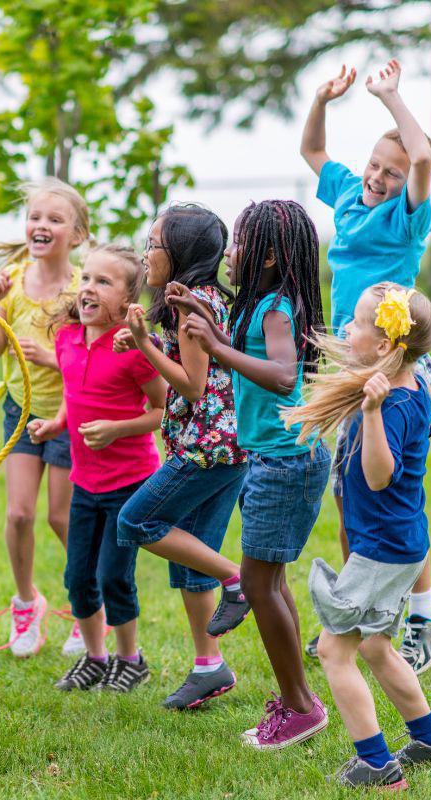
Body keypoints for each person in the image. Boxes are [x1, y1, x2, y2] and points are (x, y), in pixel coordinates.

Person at [300, 59, 431, 673]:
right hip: (350, 365)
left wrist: (391, 98)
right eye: (375, 166)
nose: (380, 178)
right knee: (349, 493)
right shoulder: (346, 193)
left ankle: (423, 617)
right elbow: (312, 149)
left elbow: (424, 160)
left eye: (391, 172)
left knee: (396, 500)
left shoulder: (407, 217)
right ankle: (357, 611)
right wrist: (321, 99)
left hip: (393, 367)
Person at [282, 284, 431, 789]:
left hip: (384, 549)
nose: (347, 331)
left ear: (385, 346)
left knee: (335, 652)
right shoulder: (406, 389)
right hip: (396, 544)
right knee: (377, 647)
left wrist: (370, 413)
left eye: (358, 324)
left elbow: (381, 474)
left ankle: (377, 765)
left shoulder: (395, 404)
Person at [177, 200, 331, 750]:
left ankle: (298, 706)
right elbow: (248, 354)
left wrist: (215, 345)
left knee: (261, 585)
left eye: (239, 242)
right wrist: (203, 311)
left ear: (266, 255)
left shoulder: (277, 308)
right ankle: (299, 698)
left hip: (285, 463)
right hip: (274, 458)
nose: (230, 252)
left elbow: (284, 375)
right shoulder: (261, 303)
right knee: (271, 581)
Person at [114, 204, 250, 710]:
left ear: (182, 253)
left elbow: (193, 387)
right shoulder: (200, 299)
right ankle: (208, 666)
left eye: (154, 244)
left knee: (136, 521)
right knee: (192, 562)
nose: (146, 253)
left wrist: (147, 348)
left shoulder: (191, 308)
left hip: (206, 449)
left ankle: (239, 580)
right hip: (227, 447)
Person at [27, 245, 165, 692]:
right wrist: (55, 425)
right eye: (86, 278)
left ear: (127, 303)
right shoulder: (67, 337)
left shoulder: (133, 348)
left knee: (112, 576)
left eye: (103, 282)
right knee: (78, 577)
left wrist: (117, 430)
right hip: (84, 482)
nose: (88, 288)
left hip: (130, 483)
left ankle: (131, 659)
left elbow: (164, 409)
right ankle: (95, 657)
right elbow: (74, 393)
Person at [0, 178, 91, 658]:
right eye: (35, 217)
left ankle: (90, 610)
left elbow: (94, 356)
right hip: (19, 412)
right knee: (19, 513)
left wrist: (50, 359)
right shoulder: (12, 279)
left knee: (61, 518)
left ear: (77, 235)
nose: (40, 225)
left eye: (54, 219)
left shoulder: (84, 285)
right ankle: (27, 604)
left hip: (69, 413)